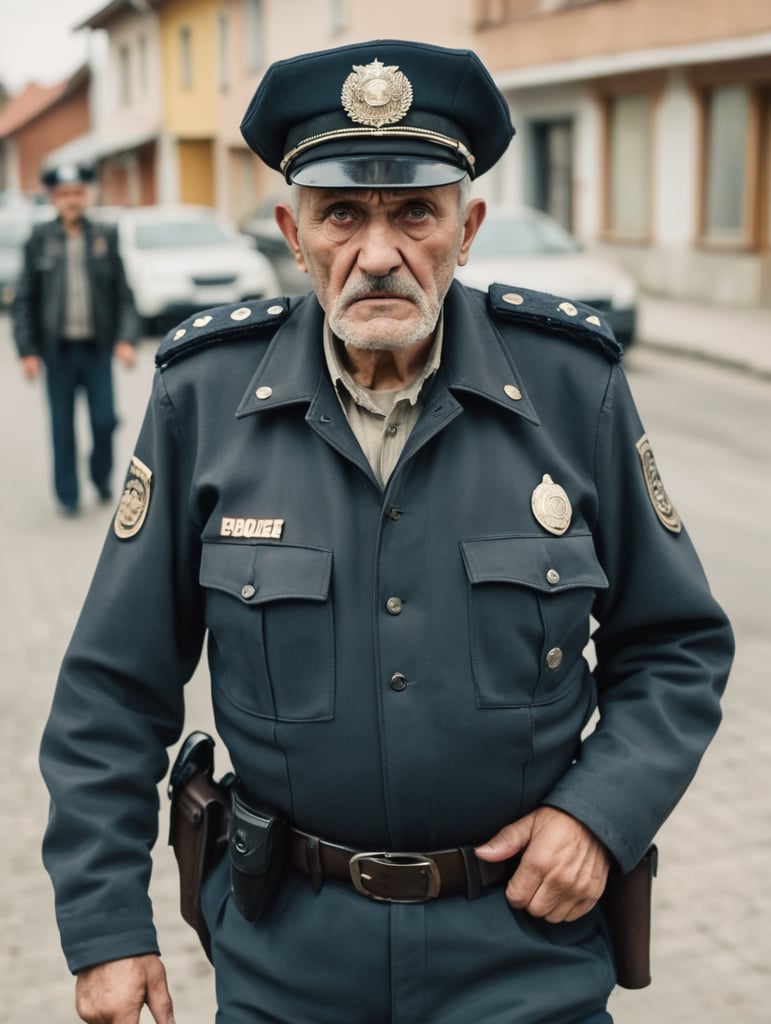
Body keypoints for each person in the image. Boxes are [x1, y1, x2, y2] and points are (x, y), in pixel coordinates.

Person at [39, 40, 733, 1024]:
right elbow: (113, 688)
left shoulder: (573, 386)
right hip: (288, 960)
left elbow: (675, 644)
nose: (377, 252)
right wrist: (107, 928)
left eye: (415, 211)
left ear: (467, 225)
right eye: (342, 214)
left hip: (525, 955)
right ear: (292, 230)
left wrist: (599, 814)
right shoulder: (204, 396)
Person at [12, 163, 138, 515]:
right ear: (54, 198)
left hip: (97, 350)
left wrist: (127, 339)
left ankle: (100, 477)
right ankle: (67, 496)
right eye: (64, 194)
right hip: (58, 352)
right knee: (62, 426)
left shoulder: (104, 235)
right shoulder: (39, 239)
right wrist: (27, 350)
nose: (71, 200)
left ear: (87, 195)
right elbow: (24, 298)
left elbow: (123, 294)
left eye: (77, 192)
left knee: (104, 420)